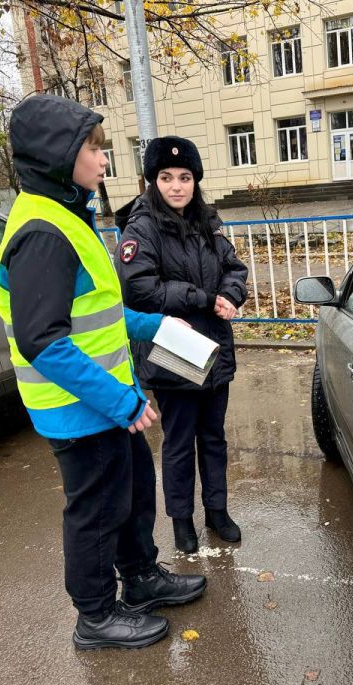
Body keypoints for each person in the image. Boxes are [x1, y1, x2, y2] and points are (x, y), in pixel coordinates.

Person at [0, 96, 205, 651]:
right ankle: (96, 615)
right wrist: (124, 403)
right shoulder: (43, 233)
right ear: (60, 154)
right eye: (92, 147)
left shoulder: (66, 214)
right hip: (81, 412)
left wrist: (152, 324)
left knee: (132, 493)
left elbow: (99, 308)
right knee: (95, 511)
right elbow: (44, 342)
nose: (102, 158)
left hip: (104, 403)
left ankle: (140, 579)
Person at [115, 136, 249, 554]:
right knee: (178, 442)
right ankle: (181, 521)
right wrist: (204, 299)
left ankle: (217, 510)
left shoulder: (207, 222)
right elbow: (140, 290)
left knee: (213, 437)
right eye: (167, 177)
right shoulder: (141, 228)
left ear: (196, 180)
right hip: (173, 352)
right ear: (153, 181)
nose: (177, 186)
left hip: (212, 348)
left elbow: (234, 267)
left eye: (185, 177)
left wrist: (232, 294)